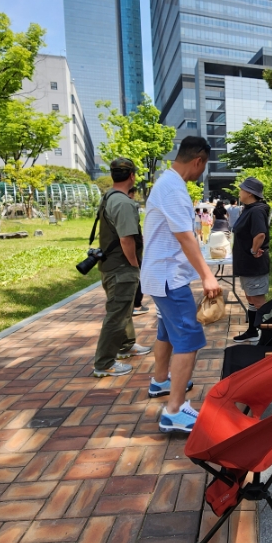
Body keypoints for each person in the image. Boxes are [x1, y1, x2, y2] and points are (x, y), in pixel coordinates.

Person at [141, 136, 222, 433]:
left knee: (166, 331)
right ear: (198, 160)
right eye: (204, 166)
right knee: (189, 338)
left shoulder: (166, 183)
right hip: (168, 278)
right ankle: (174, 411)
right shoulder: (174, 189)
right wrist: (207, 275)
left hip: (160, 276)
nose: (202, 172)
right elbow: (185, 237)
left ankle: (160, 380)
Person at [91, 158, 150, 378]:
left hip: (110, 264)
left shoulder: (109, 196)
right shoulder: (124, 203)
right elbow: (127, 239)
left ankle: (126, 346)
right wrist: (135, 265)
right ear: (132, 176)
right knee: (117, 314)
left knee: (123, 309)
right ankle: (104, 363)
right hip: (121, 267)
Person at [231, 177, 270, 342]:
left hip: (254, 264)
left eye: (241, 189)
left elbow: (260, 234)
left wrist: (254, 250)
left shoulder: (256, 211)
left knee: (258, 300)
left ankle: (270, 333)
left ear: (249, 193)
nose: (239, 192)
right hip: (246, 265)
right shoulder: (249, 209)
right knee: (250, 298)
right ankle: (252, 330)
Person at [127, 186, 149, 317]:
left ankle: (134, 305)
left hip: (127, 252)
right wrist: (134, 262)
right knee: (136, 277)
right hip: (132, 252)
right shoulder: (127, 206)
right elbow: (127, 238)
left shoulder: (112, 202)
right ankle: (136, 305)